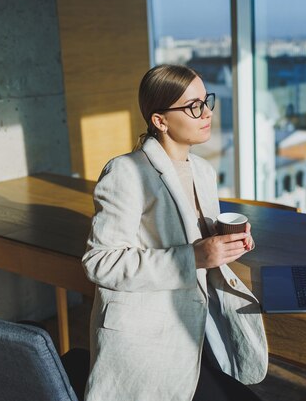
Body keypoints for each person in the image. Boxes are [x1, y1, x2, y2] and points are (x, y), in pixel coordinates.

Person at [82, 64, 268, 401]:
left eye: (206, 101)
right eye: (193, 106)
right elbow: (100, 262)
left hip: (199, 328)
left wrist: (224, 241)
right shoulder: (125, 172)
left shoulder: (202, 170)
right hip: (149, 341)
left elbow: (189, 237)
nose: (206, 112)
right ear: (160, 120)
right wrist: (195, 256)